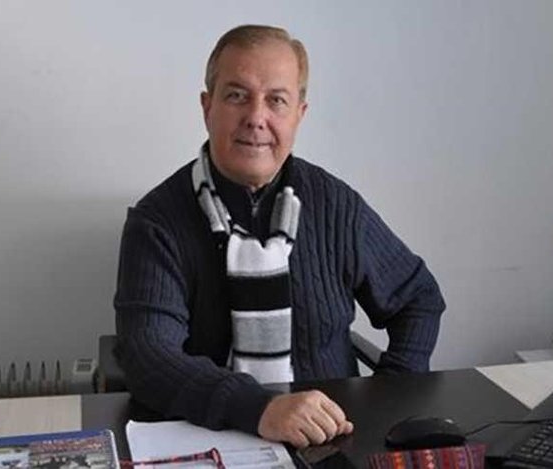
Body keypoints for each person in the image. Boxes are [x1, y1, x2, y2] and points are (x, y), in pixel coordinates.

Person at [113, 24, 446, 448]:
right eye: (237, 95)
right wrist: (260, 408)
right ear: (207, 106)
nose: (256, 118)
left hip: (329, 440)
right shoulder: (156, 222)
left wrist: (388, 395)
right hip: (207, 439)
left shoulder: (335, 204)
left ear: (299, 115)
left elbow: (418, 298)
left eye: (276, 100)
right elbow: (149, 356)